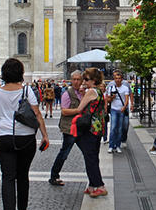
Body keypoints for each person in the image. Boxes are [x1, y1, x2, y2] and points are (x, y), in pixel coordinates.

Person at [0, 58, 49, 210]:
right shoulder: (27, 91)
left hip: (5, 137)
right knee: (23, 174)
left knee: (7, 176)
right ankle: (22, 208)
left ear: (4, 73)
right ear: (21, 74)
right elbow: (37, 114)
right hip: (26, 138)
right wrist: (45, 135)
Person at [72, 68, 108, 198]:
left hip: (90, 128)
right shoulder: (99, 91)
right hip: (97, 128)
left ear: (93, 80)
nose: (84, 82)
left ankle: (100, 185)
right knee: (92, 156)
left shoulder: (91, 91)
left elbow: (79, 108)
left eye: (86, 79)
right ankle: (92, 185)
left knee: (90, 157)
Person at [48, 71, 85, 186]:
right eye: (74, 79)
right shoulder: (67, 93)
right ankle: (54, 176)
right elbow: (64, 111)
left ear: (82, 81)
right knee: (64, 152)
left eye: (78, 79)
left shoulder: (83, 93)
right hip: (70, 128)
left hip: (80, 127)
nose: (76, 82)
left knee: (88, 152)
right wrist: (78, 110)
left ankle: (94, 179)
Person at [106, 70, 131, 153]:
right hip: (113, 109)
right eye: (116, 78)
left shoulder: (125, 88)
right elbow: (108, 99)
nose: (117, 80)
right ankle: (111, 145)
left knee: (120, 128)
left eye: (119, 78)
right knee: (113, 128)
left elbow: (127, 99)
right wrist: (112, 97)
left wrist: (124, 107)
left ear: (122, 79)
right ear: (114, 79)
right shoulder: (111, 87)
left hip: (121, 110)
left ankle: (118, 145)